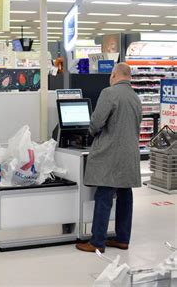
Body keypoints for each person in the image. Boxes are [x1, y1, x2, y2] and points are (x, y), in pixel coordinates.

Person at [76, 63, 142, 253]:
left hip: (111, 153)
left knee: (104, 195)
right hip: (130, 154)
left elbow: (96, 122)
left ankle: (97, 242)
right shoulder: (135, 97)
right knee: (125, 196)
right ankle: (122, 238)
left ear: (114, 75)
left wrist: (90, 133)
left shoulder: (109, 93)